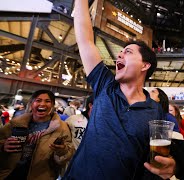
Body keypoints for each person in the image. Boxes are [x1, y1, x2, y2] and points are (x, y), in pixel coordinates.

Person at [64, 0, 175, 179]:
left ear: (145, 65)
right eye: (121, 52)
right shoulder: (105, 84)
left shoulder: (155, 111)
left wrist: (168, 168)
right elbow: (85, 40)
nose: (120, 55)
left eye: (128, 52)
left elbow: (154, 161)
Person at [0, 90, 74, 179]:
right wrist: (3, 145)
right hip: (10, 174)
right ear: (32, 104)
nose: (42, 104)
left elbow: (67, 156)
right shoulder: (16, 123)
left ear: (52, 105)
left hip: (41, 176)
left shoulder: (62, 127)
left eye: (47, 101)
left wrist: (62, 150)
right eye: (38, 100)